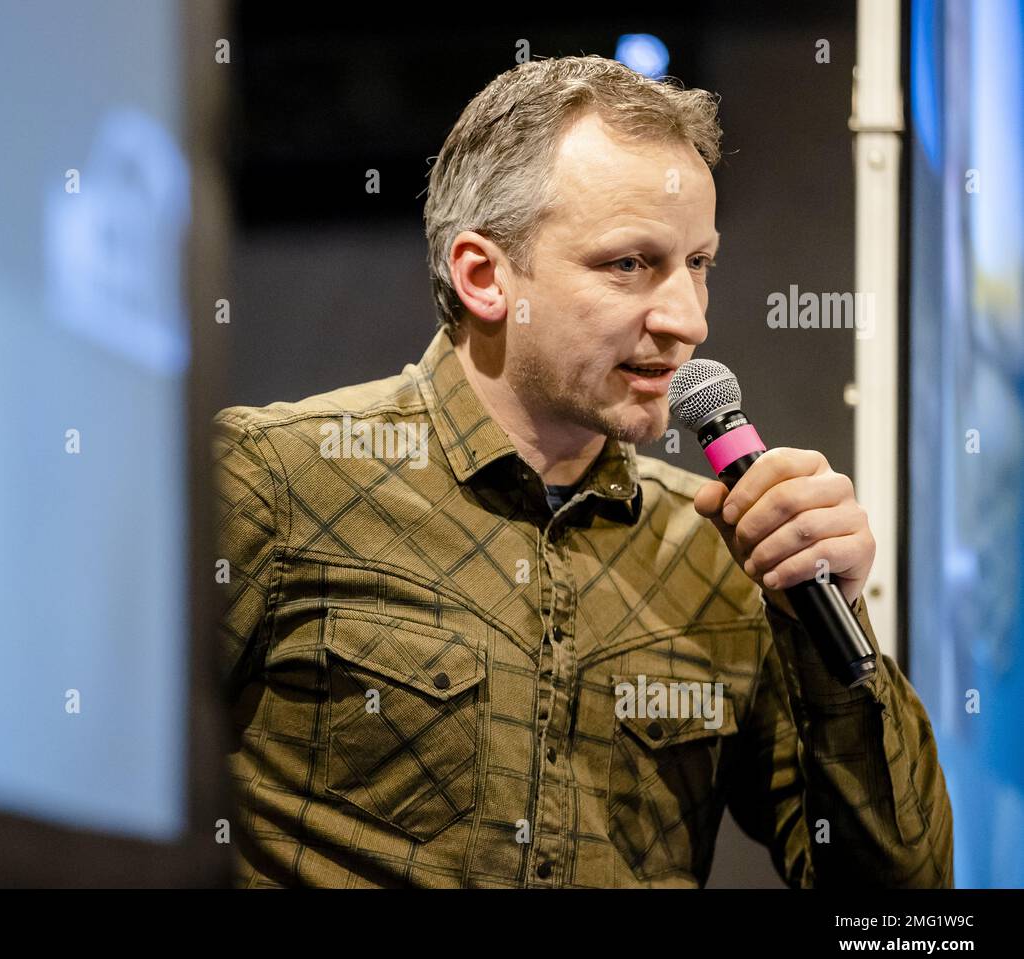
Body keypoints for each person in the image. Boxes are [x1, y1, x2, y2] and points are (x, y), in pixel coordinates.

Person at [213, 54, 954, 887]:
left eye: (698, 264)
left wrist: (833, 632)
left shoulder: (727, 553)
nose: (687, 320)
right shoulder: (274, 482)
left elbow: (902, 907)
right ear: (484, 276)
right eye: (628, 264)